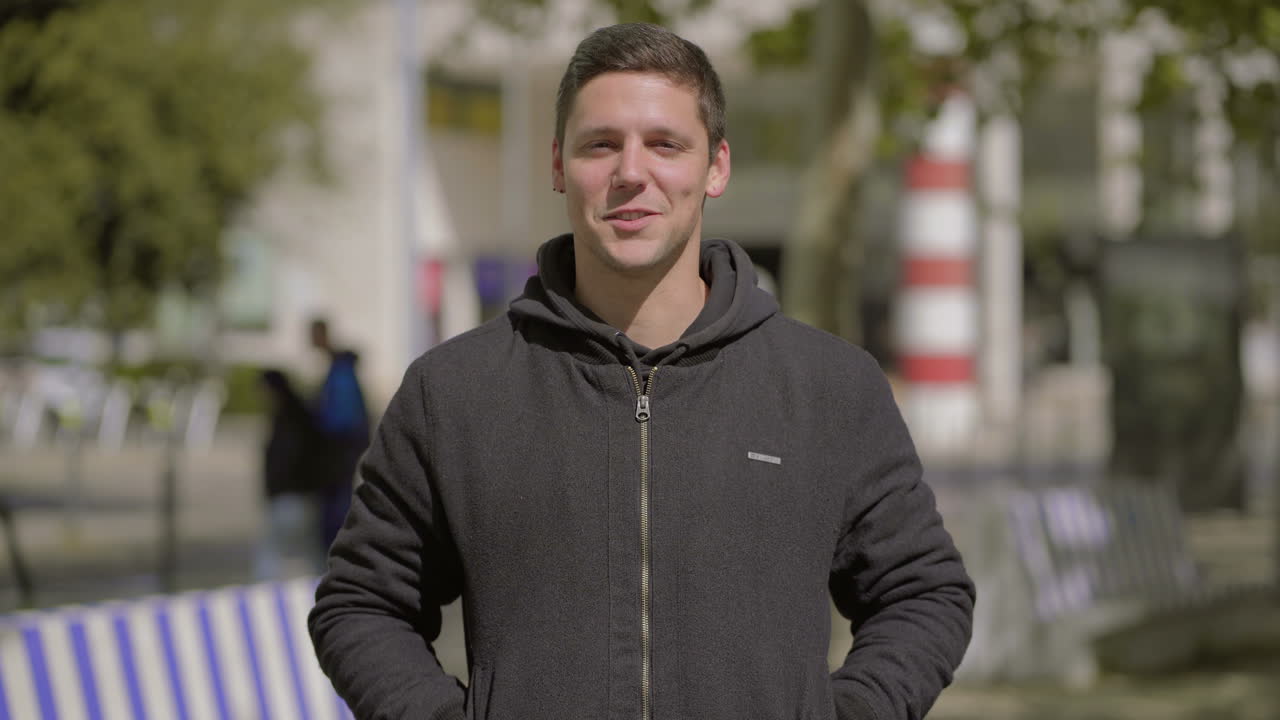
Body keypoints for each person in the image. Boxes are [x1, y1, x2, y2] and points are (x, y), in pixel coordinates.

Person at [309, 22, 974, 720]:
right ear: (559, 164)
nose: (631, 172)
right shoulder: (454, 392)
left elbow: (924, 594)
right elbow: (360, 604)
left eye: (665, 144)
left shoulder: (829, 387)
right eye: (601, 144)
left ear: (716, 167)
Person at [254, 368, 326, 579]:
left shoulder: (290, 418)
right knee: (309, 554)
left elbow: (287, 459)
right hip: (299, 494)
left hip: (291, 495)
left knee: (272, 554)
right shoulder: (295, 413)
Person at [308, 317, 371, 552]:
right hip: (340, 450)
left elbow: (341, 419)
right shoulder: (336, 367)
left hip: (338, 451)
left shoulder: (340, 370)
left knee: (336, 509)